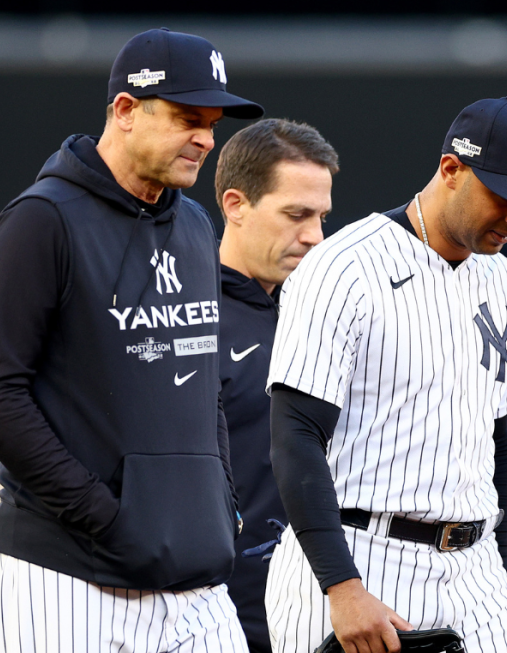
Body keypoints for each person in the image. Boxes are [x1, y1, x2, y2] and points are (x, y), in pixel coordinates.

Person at [0, 28, 264, 653]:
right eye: (187, 118)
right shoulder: (41, 220)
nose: (206, 138)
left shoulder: (193, 224)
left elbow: (201, 383)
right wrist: (106, 516)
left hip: (190, 575)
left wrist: (219, 502)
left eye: (211, 123)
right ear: (125, 111)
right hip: (70, 576)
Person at [263, 96, 507, 653]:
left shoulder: (505, 283)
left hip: (475, 571)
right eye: (505, 197)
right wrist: (342, 585)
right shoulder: (344, 268)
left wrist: (498, 569)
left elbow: (493, 441)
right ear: (452, 169)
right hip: (363, 556)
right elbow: (295, 437)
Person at [213, 118, 340, 653]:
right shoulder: (186, 319)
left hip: (320, 608)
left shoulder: (330, 312)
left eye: (321, 217)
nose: (315, 235)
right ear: (236, 205)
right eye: (296, 215)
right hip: (211, 613)